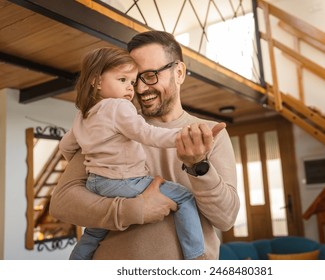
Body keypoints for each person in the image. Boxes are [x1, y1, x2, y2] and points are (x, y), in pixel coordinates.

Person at [50, 30, 239, 260]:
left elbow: (225, 219)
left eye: (149, 75)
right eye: (133, 78)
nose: (139, 89)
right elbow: (62, 203)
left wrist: (200, 165)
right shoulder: (110, 125)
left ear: (179, 72)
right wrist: (134, 209)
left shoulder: (209, 134)